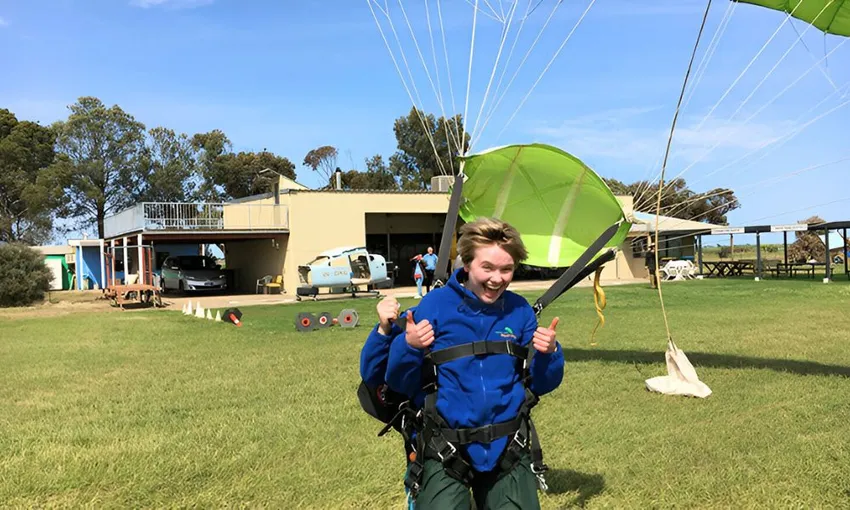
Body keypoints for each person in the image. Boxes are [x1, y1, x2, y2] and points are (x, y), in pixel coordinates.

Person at [384, 217, 564, 509]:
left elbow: (543, 383)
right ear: (467, 265)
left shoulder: (520, 311)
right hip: (445, 448)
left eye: (507, 269)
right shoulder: (435, 306)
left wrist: (550, 353)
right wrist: (409, 346)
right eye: (488, 268)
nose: (497, 278)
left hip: (507, 447)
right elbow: (399, 382)